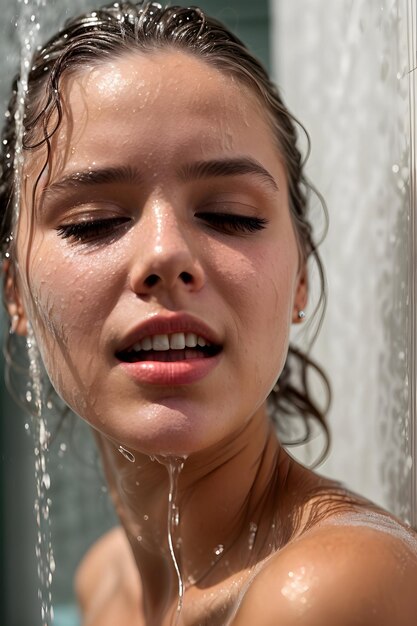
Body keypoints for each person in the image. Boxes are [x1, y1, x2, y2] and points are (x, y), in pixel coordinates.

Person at [1, 2, 417, 625]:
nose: (166, 254)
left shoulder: (328, 590)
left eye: (231, 216)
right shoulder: (104, 580)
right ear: (16, 295)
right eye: (94, 223)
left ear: (300, 276)